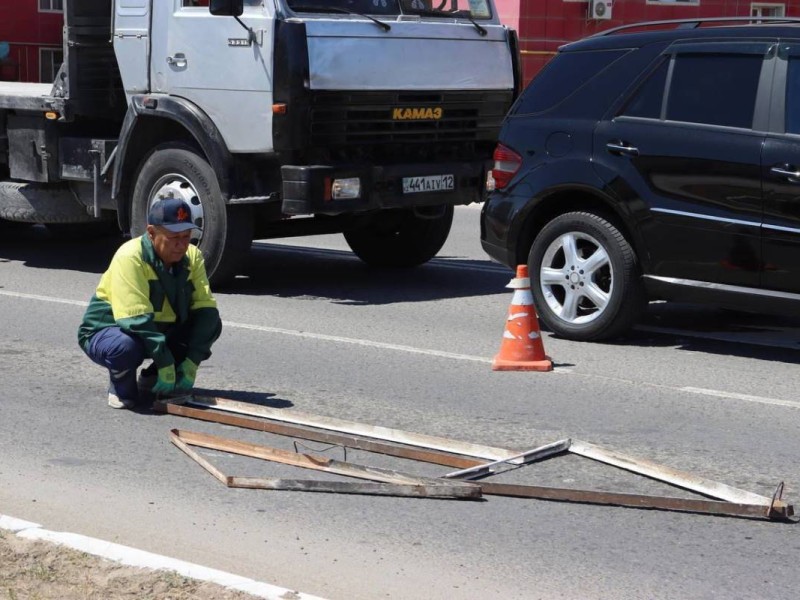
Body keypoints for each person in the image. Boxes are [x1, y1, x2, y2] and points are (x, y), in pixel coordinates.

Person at [78, 197, 222, 409]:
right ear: (152, 233)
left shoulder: (193, 257)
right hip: (112, 331)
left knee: (210, 325)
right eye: (173, 237)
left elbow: (206, 311)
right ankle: (122, 387)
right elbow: (135, 320)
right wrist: (166, 362)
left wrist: (192, 361)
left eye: (186, 236)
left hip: (156, 331)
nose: (181, 244)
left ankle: (153, 379)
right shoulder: (130, 256)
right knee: (125, 347)